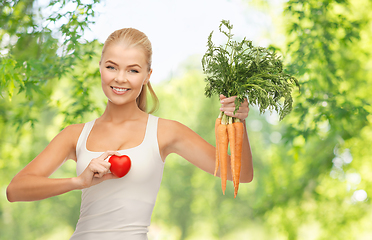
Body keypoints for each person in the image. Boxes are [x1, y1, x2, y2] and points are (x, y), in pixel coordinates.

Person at [6, 28, 253, 240]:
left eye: (133, 70)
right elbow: (15, 190)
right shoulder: (75, 135)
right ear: (100, 68)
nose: (120, 78)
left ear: (147, 76)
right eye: (111, 67)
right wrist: (78, 182)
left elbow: (242, 175)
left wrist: (239, 123)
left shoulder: (166, 132)